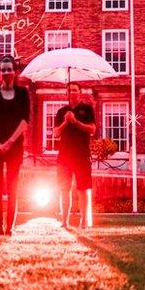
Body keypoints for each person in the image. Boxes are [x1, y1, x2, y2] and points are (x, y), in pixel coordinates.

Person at [0, 56, 30, 235]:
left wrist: (10, 142)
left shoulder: (23, 93)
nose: (6, 72)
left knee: (12, 187)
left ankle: (10, 227)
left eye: (9, 69)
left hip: (14, 147)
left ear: (15, 71)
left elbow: (25, 120)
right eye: (3, 69)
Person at [54, 83, 96, 229]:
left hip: (82, 155)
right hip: (64, 156)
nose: (72, 92)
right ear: (67, 93)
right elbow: (56, 133)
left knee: (83, 189)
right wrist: (66, 122)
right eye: (69, 90)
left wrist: (76, 122)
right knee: (64, 189)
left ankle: (84, 221)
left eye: (74, 90)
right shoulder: (61, 112)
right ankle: (64, 221)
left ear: (80, 92)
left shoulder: (87, 109)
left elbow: (92, 130)